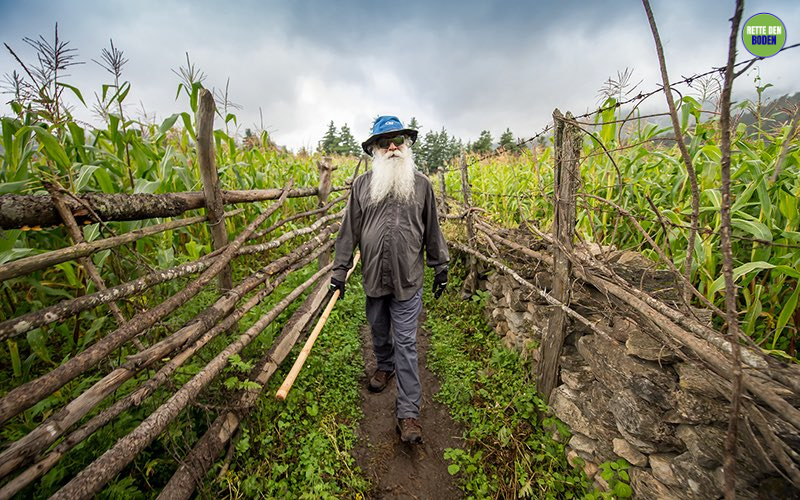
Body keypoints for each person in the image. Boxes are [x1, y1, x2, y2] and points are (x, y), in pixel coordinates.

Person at [330, 115, 450, 443]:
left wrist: (440, 266)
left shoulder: (422, 185)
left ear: (407, 145)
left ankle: (408, 414)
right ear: (375, 149)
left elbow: (433, 230)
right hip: (373, 277)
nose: (393, 147)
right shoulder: (362, 186)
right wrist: (339, 272)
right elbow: (349, 231)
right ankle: (384, 364)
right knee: (379, 329)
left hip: (408, 279)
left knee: (408, 343)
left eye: (398, 141)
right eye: (385, 142)